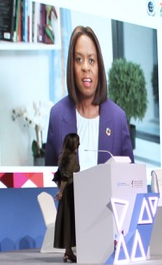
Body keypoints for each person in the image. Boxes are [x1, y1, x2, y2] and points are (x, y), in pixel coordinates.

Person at [43, 26, 134, 170]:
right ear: (71, 66)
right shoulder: (57, 115)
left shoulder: (118, 118)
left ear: (99, 67)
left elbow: (130, 181)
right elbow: (50, 179)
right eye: (79, 59)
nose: (85, 67)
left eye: (91, 60)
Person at [53, 132, 80, 263]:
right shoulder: (72, 157)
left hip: (66, 192)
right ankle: (68, 251)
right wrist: (62, 192)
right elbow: (65, 176)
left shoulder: (63, 156)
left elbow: (58, 176)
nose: (79, 144)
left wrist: (60, 190)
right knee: (70, 221)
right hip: (70, 192)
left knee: (67, 221)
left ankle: (67, 251)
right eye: (77, 142)